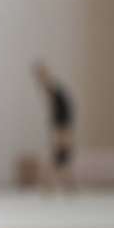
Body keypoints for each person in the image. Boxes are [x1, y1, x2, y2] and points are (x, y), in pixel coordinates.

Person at [33, 60, 76, 191]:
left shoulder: (52, 88)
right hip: (61, 124)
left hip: (62, 124)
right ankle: (63, 185)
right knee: (60, 156)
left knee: (59, 156)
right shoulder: (50, 87)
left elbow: (52, 105)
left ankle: (56, 185)